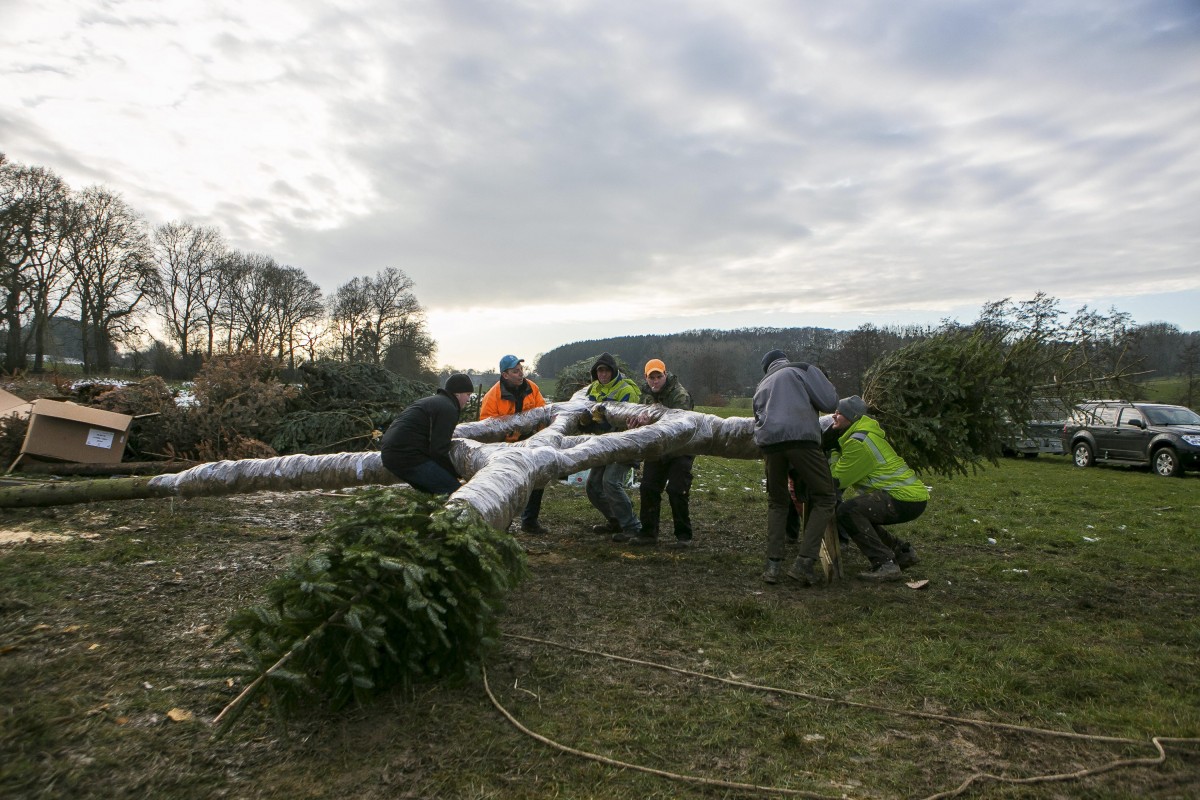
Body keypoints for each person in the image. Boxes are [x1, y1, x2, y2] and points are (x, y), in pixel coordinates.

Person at [753, 349, 839, 586]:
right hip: (801, 440)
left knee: (777, 502)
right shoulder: (802, 369)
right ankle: (804, 562)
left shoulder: (762, 384)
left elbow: (757, 417)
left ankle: (772, 567)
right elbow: (830, 402)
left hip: (770, 445)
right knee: (825, 497)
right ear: (784, 360)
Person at [829, 395, 927, 581]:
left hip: (903, 498)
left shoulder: (858, 443)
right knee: (863, 512)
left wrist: (833, 451)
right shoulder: (862, 435)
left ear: (852, 418)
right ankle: (902, 551)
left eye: (839, 413)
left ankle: (885, 563)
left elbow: (837, 480)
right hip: (911, 497)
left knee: (848, 511)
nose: (834, 416)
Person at [626, 358, 694, 547]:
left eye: (658, 376)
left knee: (677, 490)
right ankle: (648, 533)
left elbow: (679, 425)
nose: (655, 381)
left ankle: (684, 536)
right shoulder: (645, 396)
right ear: (646, 378)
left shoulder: (680, 395)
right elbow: (640, 419)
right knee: (648, 488)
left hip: (681, 449)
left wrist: (652, 424)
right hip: (656, 450)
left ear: (665, 375)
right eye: (651, 377)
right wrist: (635, 426)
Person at [479, 354, 549, 534]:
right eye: (515, 371)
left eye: (521, 370)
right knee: (507, 484)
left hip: (531, 440)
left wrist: (542, 436)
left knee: (538, 478)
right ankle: (505, 524)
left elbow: (543, 411)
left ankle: (530, 521)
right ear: (505, 375)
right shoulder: (492, 396)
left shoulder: (532, 388)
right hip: (504, 445)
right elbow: (486, 425)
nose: (520, 374)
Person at [379, 373, 474, 494]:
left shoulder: (435, 402)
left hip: (390, 453)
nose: (469, 399)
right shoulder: (448, 408)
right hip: (408, 456)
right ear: (457, 393)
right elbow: (439, 450)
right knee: (455, 493)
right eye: (468, 394)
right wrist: (455, 473)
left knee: (430, 493)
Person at [582, 352, 642, 541]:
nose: (603, 374)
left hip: (625, 443)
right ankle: (615, 520)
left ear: (613, 371)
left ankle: (632, 526)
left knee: (610, 483)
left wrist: (604, 421)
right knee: (593, 486)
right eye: (600, 371)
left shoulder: (626, 390)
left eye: (606, 370)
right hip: (603, 443)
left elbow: (625, 421)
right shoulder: (593, 388)